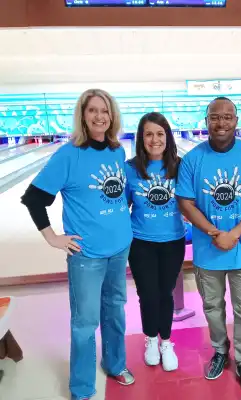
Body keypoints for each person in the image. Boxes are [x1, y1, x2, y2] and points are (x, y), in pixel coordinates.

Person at [21, 89, 134, 400]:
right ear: (83, 116)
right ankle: (82, 388)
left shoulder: (116, 151)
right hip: (87, 256)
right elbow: (33, 199)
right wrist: (52, 238)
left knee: (115, 312)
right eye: (92, 110)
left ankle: (116, 364)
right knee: (85, 323)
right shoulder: (68, 155)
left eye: (105, 111)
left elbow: (115, 195)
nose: (99, 116)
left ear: (112, 116)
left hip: (119, 250)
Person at [175, 96, 241, 397]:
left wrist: (235, 234)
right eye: (215, 117)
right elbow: (185, 202)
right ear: (206, 122)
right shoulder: (192, 159)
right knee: (213, 309)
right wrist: (215, 232)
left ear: (236, 120)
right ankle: (220, 350)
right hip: (208, 252)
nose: (221, 122)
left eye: (227, 116)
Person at [125, 112, 185, 372]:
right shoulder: (130, 168)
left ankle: (167, 342)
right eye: (149, 134)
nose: (154, 139)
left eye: (160, 133)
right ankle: (151, 339)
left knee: (165, 293)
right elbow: (120, 205)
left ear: (168, 137)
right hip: (140, 242)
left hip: (173, 241)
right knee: (147, 294)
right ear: (141, 138)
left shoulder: (180, 166)